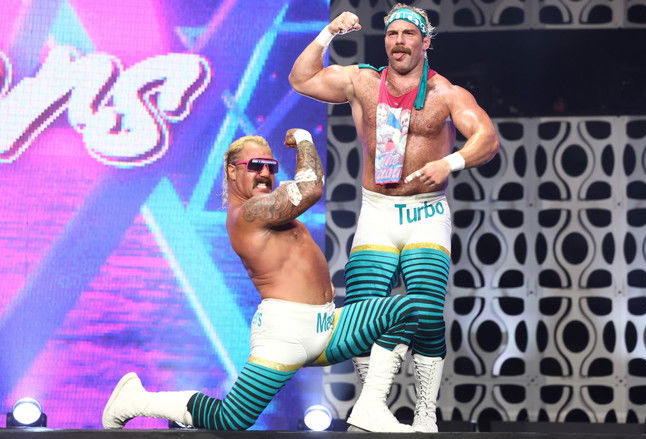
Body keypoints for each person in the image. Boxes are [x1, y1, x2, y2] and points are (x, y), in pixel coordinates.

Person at [101, 129, 429, 433]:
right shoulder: (248, 213)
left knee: (404, 311)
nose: (265, 173)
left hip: (328, 326)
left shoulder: (272, 208)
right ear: (232, 171)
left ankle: (371, 407)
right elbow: (311, 188)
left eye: (270, 166)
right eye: (255, 165)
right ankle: (137, 400)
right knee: (232, 418)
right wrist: (304, 138)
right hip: (285, 333)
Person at [288, 4, 500, 432]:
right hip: (377, 211)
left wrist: (450, 163)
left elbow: (487, 138)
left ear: (425, 42)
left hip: (426, 213)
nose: (399, 41)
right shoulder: (361, 81)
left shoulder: (446, 94)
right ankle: (374, 406)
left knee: (424, 311)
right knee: (363, 313)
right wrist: (329, 32)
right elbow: (302, 79)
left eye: (408, 34)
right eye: (392, 34)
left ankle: (425, 411)